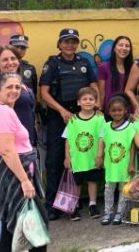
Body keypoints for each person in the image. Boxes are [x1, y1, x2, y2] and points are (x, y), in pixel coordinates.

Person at [40, 28, 98, 220]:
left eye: (73, 41)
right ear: (59, 44)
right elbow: (44, 93)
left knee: (84, 155)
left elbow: (94, 85)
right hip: (59, 116)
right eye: (66, 41)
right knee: (55, 160)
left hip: (83, 115)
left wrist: (96, 105)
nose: (70, 45)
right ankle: (52, 205)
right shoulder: (52, 64)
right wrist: (61, 111)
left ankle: (76, 202)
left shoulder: (84, 63)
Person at [0, 72, 47, 252]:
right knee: (36, 225)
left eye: (17, 87)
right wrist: (24, 181)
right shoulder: (2, 112)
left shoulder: (3, 110)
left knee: (10, 229)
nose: (14, 90)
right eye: (9, 87)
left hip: (14, 173)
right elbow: (6, 150)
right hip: (13, 175)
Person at [95, 94, 139, 225]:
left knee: (123, 189)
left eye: (120, 110)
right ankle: (108, 212)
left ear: (125, 111)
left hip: (124, 166)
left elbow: (134, 143)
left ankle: (120, 212)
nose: (117, 113)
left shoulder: (130, 127)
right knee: (109, 189)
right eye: (113, 110)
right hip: (110, 166)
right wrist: (99, 156)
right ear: (109, 112)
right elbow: (101, 141)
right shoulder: (106, 126)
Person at [62, 87, 105, 220]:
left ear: (95, 102)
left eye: (91, 99)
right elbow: (68, 139)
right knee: (76, 183)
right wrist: (67, 157)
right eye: (84, 99)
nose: (88, 101)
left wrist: (99, 155)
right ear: (78, 102)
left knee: (93, 180)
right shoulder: (72, 120)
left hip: (92, 157)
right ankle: (74, 206)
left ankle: (92, 204)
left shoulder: (99, 118)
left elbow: (101, 138)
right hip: (77, 159)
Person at [97, 35, 133, 117]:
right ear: (114, 49)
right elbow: (101, 92)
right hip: (110, 112)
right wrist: (99, 109)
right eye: (121, 45)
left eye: (127, 46)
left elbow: (133, 92)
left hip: (127, 112)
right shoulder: (104, 67)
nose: (124, 48)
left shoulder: (132, 67)